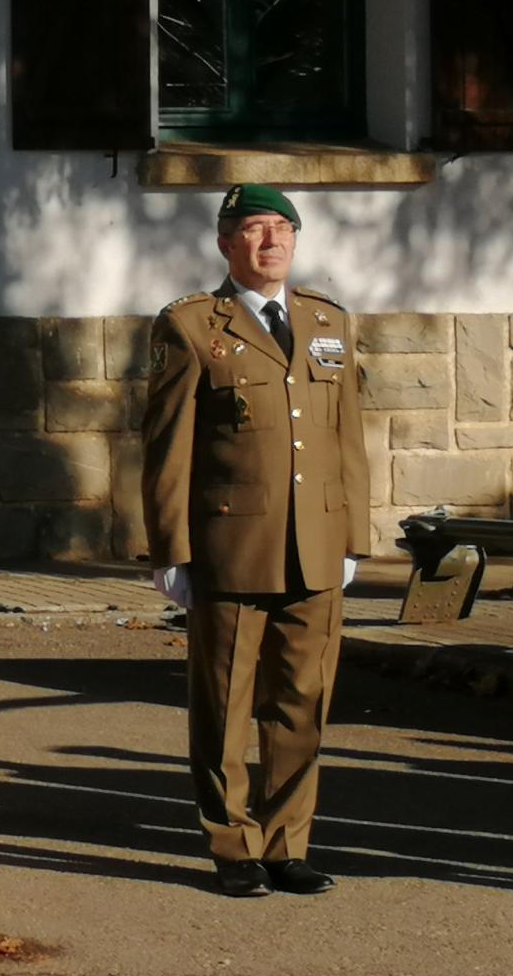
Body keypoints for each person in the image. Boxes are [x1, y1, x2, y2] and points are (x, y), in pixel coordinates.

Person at [143, 184, 371, 898]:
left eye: (281, 229)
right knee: (224, 704)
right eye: (252, 230)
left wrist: (354, 536)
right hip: (231, 547)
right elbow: (166, 446)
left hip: (316, 544)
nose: (270, 241)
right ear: (225, 243)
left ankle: (286, 843)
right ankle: (232, 844)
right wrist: (170, 550)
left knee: (303, 701)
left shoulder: (327, 320)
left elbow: (348, 439)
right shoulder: (189, 327)